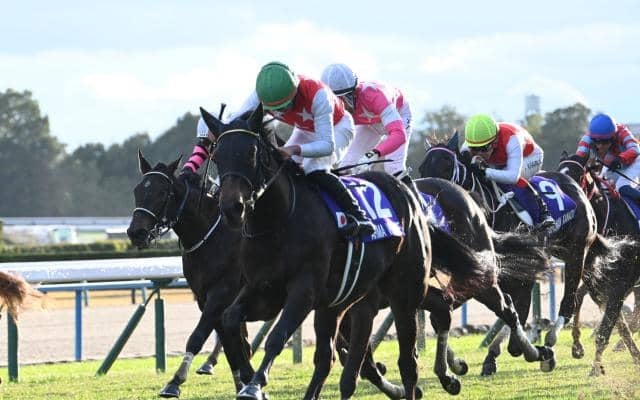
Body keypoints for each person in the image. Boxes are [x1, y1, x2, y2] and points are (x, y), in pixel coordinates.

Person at [186, 61, 374, 237]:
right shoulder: (260, 94)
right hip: (305, 129)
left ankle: (358, 215)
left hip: (337, 128)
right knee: (282, 168)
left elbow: (327, 146)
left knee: (313, 169)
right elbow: (234, 122)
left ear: (295, 91)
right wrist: (212, 136)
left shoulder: (319, 95)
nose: (282, 112)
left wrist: (293, 149)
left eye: (286, 106)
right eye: (276, 109)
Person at [320, 63, 414, 189]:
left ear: (353, 92)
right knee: (346, 167)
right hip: (369, 123)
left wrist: (373, 154)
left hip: (399, 114)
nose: (340, 106)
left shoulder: (375, 95)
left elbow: (399, 135)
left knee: (393, 167)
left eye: (343, 99)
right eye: (333, 100)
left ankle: (416, 200)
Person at [461, 114, 555, 232]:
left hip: (530, 157)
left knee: (505, 181)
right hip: (501, 160)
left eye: (484, 148)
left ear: (495, 141)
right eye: (474, 149)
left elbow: (513, 177)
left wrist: (485, 172)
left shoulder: (511, 139)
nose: (479, 153)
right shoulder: (468, 146)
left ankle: (544, 214)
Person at [576, 113, 640, 202]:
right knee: (602, 187)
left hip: (634, 161)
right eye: (596, 141)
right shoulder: (587, 138)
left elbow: (635, 149)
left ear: (613, 137)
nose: (600, 146)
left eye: (604, 142)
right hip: (613, 164)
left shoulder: (622, 132)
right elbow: (578, 158)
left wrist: (620, 159)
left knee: (621, 186)